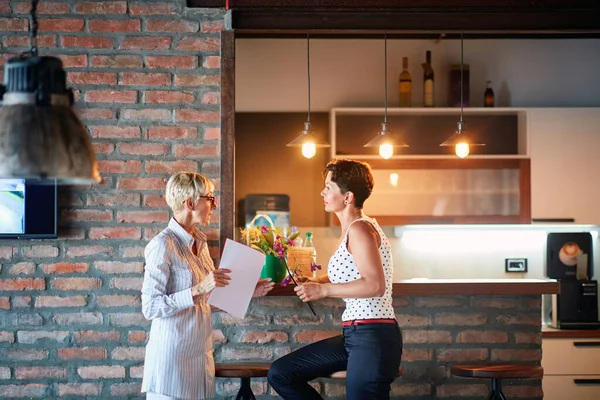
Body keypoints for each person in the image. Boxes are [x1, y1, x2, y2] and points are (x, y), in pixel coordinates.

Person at [267, 159, 402, 400]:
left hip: (373, 335)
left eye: (328, 187)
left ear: (348, 197)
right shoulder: (353, 228)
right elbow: (352, 272)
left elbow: (374, 285)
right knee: (281, 373)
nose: (323, 192)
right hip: (355, 334)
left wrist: (324, 291)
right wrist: (316, 281)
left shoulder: (360, 229)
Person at [141, 171, 274, 400]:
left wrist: (246, 292)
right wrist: (199, 288)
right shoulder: (162, 245)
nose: (214, 205)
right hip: (171, 363)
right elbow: (150, 307)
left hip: (200, 358)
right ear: (190, 203)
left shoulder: (200, 243)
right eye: (210, 198)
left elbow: (203, 301)